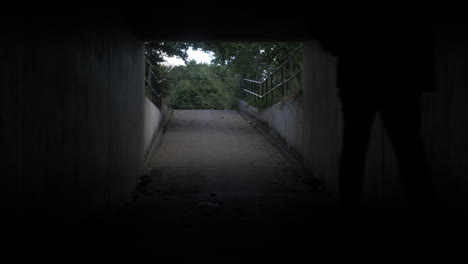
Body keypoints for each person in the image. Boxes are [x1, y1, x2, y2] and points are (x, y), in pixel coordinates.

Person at [319, 5, 436, 239]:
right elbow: (420, 23)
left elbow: (321, 23)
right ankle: (424, 222)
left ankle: (349, 220)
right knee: (409, 151)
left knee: (355, 149)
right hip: (399, 74)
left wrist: (346, 48)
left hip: (359, 75)